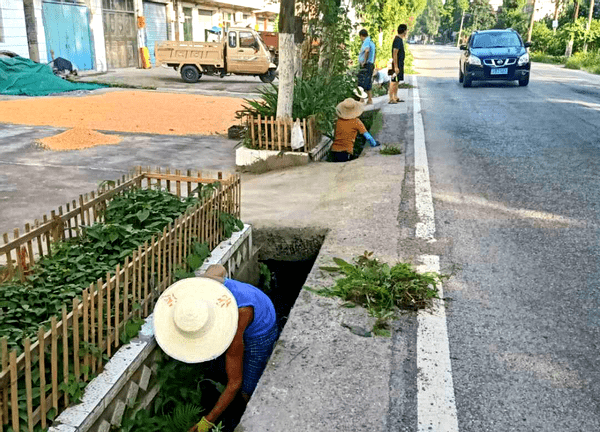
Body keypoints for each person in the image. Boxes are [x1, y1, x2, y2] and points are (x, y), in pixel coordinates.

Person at [153, 264, 278, 432]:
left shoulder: (239, 316)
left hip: (261, 328)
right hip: (252, 302)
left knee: (247, 388)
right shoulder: (203, 287)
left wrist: (206, 422)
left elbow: (234, 382)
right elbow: (218, 267)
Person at [330, 98, 380, 163]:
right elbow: (367, 136)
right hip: (346, 152)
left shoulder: (338, 121)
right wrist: (374, 143)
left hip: (333, 151)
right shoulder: (356, 122)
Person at [389, 24, 408, 104]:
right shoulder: (397, 40)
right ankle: (391, 98)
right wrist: (396, 66)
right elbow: (395, 53)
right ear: (404, 31)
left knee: (397, 81)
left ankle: (395, 96)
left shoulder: (400, 40)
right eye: (406, 30)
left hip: (400, 63)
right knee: (393, 81)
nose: (407, 32)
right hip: (396, 64)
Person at [358, 29, 376, 105]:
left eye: (360, 37)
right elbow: (375, 54)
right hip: (370, 64)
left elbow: (367, 51)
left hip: (366, 64)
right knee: (368, 82)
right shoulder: (372, 42)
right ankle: (369, 99)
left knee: (362, 81)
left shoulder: (366, 42)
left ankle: (361, 99)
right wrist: (373, 62)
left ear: (362, 36)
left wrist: (364, 61)